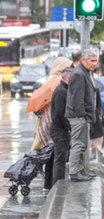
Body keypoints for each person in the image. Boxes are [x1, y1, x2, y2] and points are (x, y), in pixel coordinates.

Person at [30, 56, 72, 193]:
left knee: (51, 156)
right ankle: (52, 185)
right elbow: (59, 111)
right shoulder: (55, 84)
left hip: (48, 123)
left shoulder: (51, 82)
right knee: (55, 157)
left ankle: (47, 185)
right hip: (52, 124)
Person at [65, 48, 98, 182]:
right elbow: (77, 98)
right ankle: (74, 172)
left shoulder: (85, 72)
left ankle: (80, 170)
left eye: (96, 61)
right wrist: (82, 115)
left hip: (82, 116)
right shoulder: (79, 73)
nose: (94, 63)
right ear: (83, 60)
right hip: (78, 116)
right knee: (78, 144)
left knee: (82, 144)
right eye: (92, 61)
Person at [50, 67, 73, 186]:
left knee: (62, 159)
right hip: (59, 130)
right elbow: (60, 113)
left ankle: (59, 183)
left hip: (60, 130)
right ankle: (57, 185)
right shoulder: (61, 91)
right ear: (68, 78)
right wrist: (68, 127)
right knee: (60, 160)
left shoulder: (64, 90)